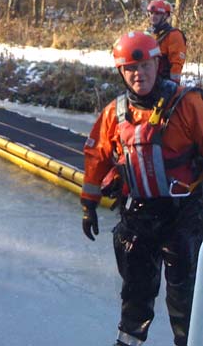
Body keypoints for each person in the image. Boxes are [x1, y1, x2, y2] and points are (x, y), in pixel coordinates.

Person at [80, 31, 203, 346]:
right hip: (140, 214)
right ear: (121, 72)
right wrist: (88, 204)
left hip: (184, 213)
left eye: (146, 66)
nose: (139, 74)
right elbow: (96, 158)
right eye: (131, 69)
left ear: (158, 64)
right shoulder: (115, 113)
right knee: (135, 290)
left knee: (185, 292)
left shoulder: (188, 104)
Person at [147, 0, 186, 84]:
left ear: (165, 16)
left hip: (164, 83)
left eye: (157, 14)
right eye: (151, 13)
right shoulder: (150, 34)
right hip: (149, 81)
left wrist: (172, 86)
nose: (153, 16)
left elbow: (176, 63)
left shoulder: (174, 35)